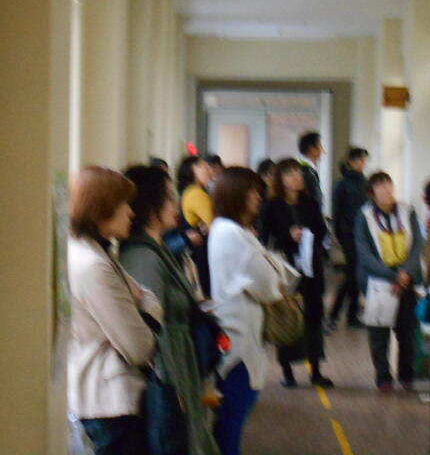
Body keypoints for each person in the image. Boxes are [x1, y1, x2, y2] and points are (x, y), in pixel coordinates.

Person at [119, 166, 219, 455]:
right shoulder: (143, 256)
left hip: (178, 360)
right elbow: (149, 326)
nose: (176, 205)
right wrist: (172, 389)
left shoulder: (159, 248)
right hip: (169, 370)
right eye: (170, 198)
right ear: (151, 205)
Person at [67, 167, 163, 455]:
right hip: (110, 403)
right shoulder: (95, 265)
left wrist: (143, 301)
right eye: (124, 204)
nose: (131, 212)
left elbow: (143, 294)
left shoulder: (91, 252)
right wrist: (148, 307)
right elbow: (140, 348)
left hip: (98, 396)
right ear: (102, 207)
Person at [208, 167, 283, 455]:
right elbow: (269, 284)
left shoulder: (227, 231)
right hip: (238, 339)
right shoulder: (232, 234)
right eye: (253, 191)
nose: (258, 197)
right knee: (233, 417)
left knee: (232, 417)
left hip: (239, 334)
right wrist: (274, 269)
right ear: (235, 194)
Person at [259, 158, 334, 388]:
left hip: (311, 268)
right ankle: (287, 371)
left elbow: (322, 231)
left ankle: (316, 369)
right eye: (290, 173)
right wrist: (288, 237)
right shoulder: (271, 206)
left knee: (313, 318)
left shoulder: (310, 203)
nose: (297, 177)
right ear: (280, 179)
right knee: (288, 316)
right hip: (286, 269)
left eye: (298, 172)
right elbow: (265, 240)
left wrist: (311, 237)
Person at [354, 172, 424, 392]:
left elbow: (417, 245)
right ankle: (383, 376)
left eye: (389, 185)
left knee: (407, 331)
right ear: (372, 192)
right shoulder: (364, 216)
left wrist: (405, 273)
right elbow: (364, 253)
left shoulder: (407, 211)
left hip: (406, 280)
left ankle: (406, 374)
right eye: (380, 186)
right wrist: (391, 275)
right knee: (379, 332)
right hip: (378, 281)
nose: (386, 190)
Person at [328, 147, 369, 330]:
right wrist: (336, 234)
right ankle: (335, 314)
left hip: (363, 235)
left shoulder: (366, 183)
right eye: (359, 159)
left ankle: (351, 314)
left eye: (364, 159)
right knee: (352, 274)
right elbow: (336, 212)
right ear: (350, 162)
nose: (362, 163)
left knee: (355, 275)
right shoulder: (342, 185)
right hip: (348, 234)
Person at [178, 155, 214, 298]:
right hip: (202, 255)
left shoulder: (190, 191)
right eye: (205, 167)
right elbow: (215, 222)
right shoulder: (195, 193)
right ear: (192, 169)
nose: (209, 171)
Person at [298, 131, 324, 208]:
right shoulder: (306, 171)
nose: (323, 150)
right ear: (312, 149)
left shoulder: (308, 170)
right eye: (320, 146)